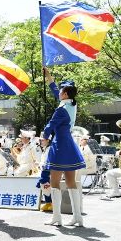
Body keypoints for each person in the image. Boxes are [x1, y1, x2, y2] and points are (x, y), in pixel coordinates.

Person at [41, 81, 85, 227]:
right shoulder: (71, 105)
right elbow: (57, 93)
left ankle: (57, 217)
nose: (58, 93)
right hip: (69, 143)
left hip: (59, 144)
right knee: (71, 182)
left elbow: (51, 124)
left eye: (60, 92)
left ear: (65, 94)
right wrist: (49, 79)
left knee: (54, 182)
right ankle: (78, 217)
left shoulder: (61, 109)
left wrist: (45, 137)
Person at [36, 135, 52, 212]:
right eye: (40, 140)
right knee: (44, 186)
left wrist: (40, 165)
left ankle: (50, 203)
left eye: (42, 140)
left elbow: (48, 162)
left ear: (48, 140)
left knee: (46, 185)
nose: (41, 142)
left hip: (48, 171)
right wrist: (39, 164)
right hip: (43, 170)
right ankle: (48, 203)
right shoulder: (45, 149)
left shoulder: (50, 149)